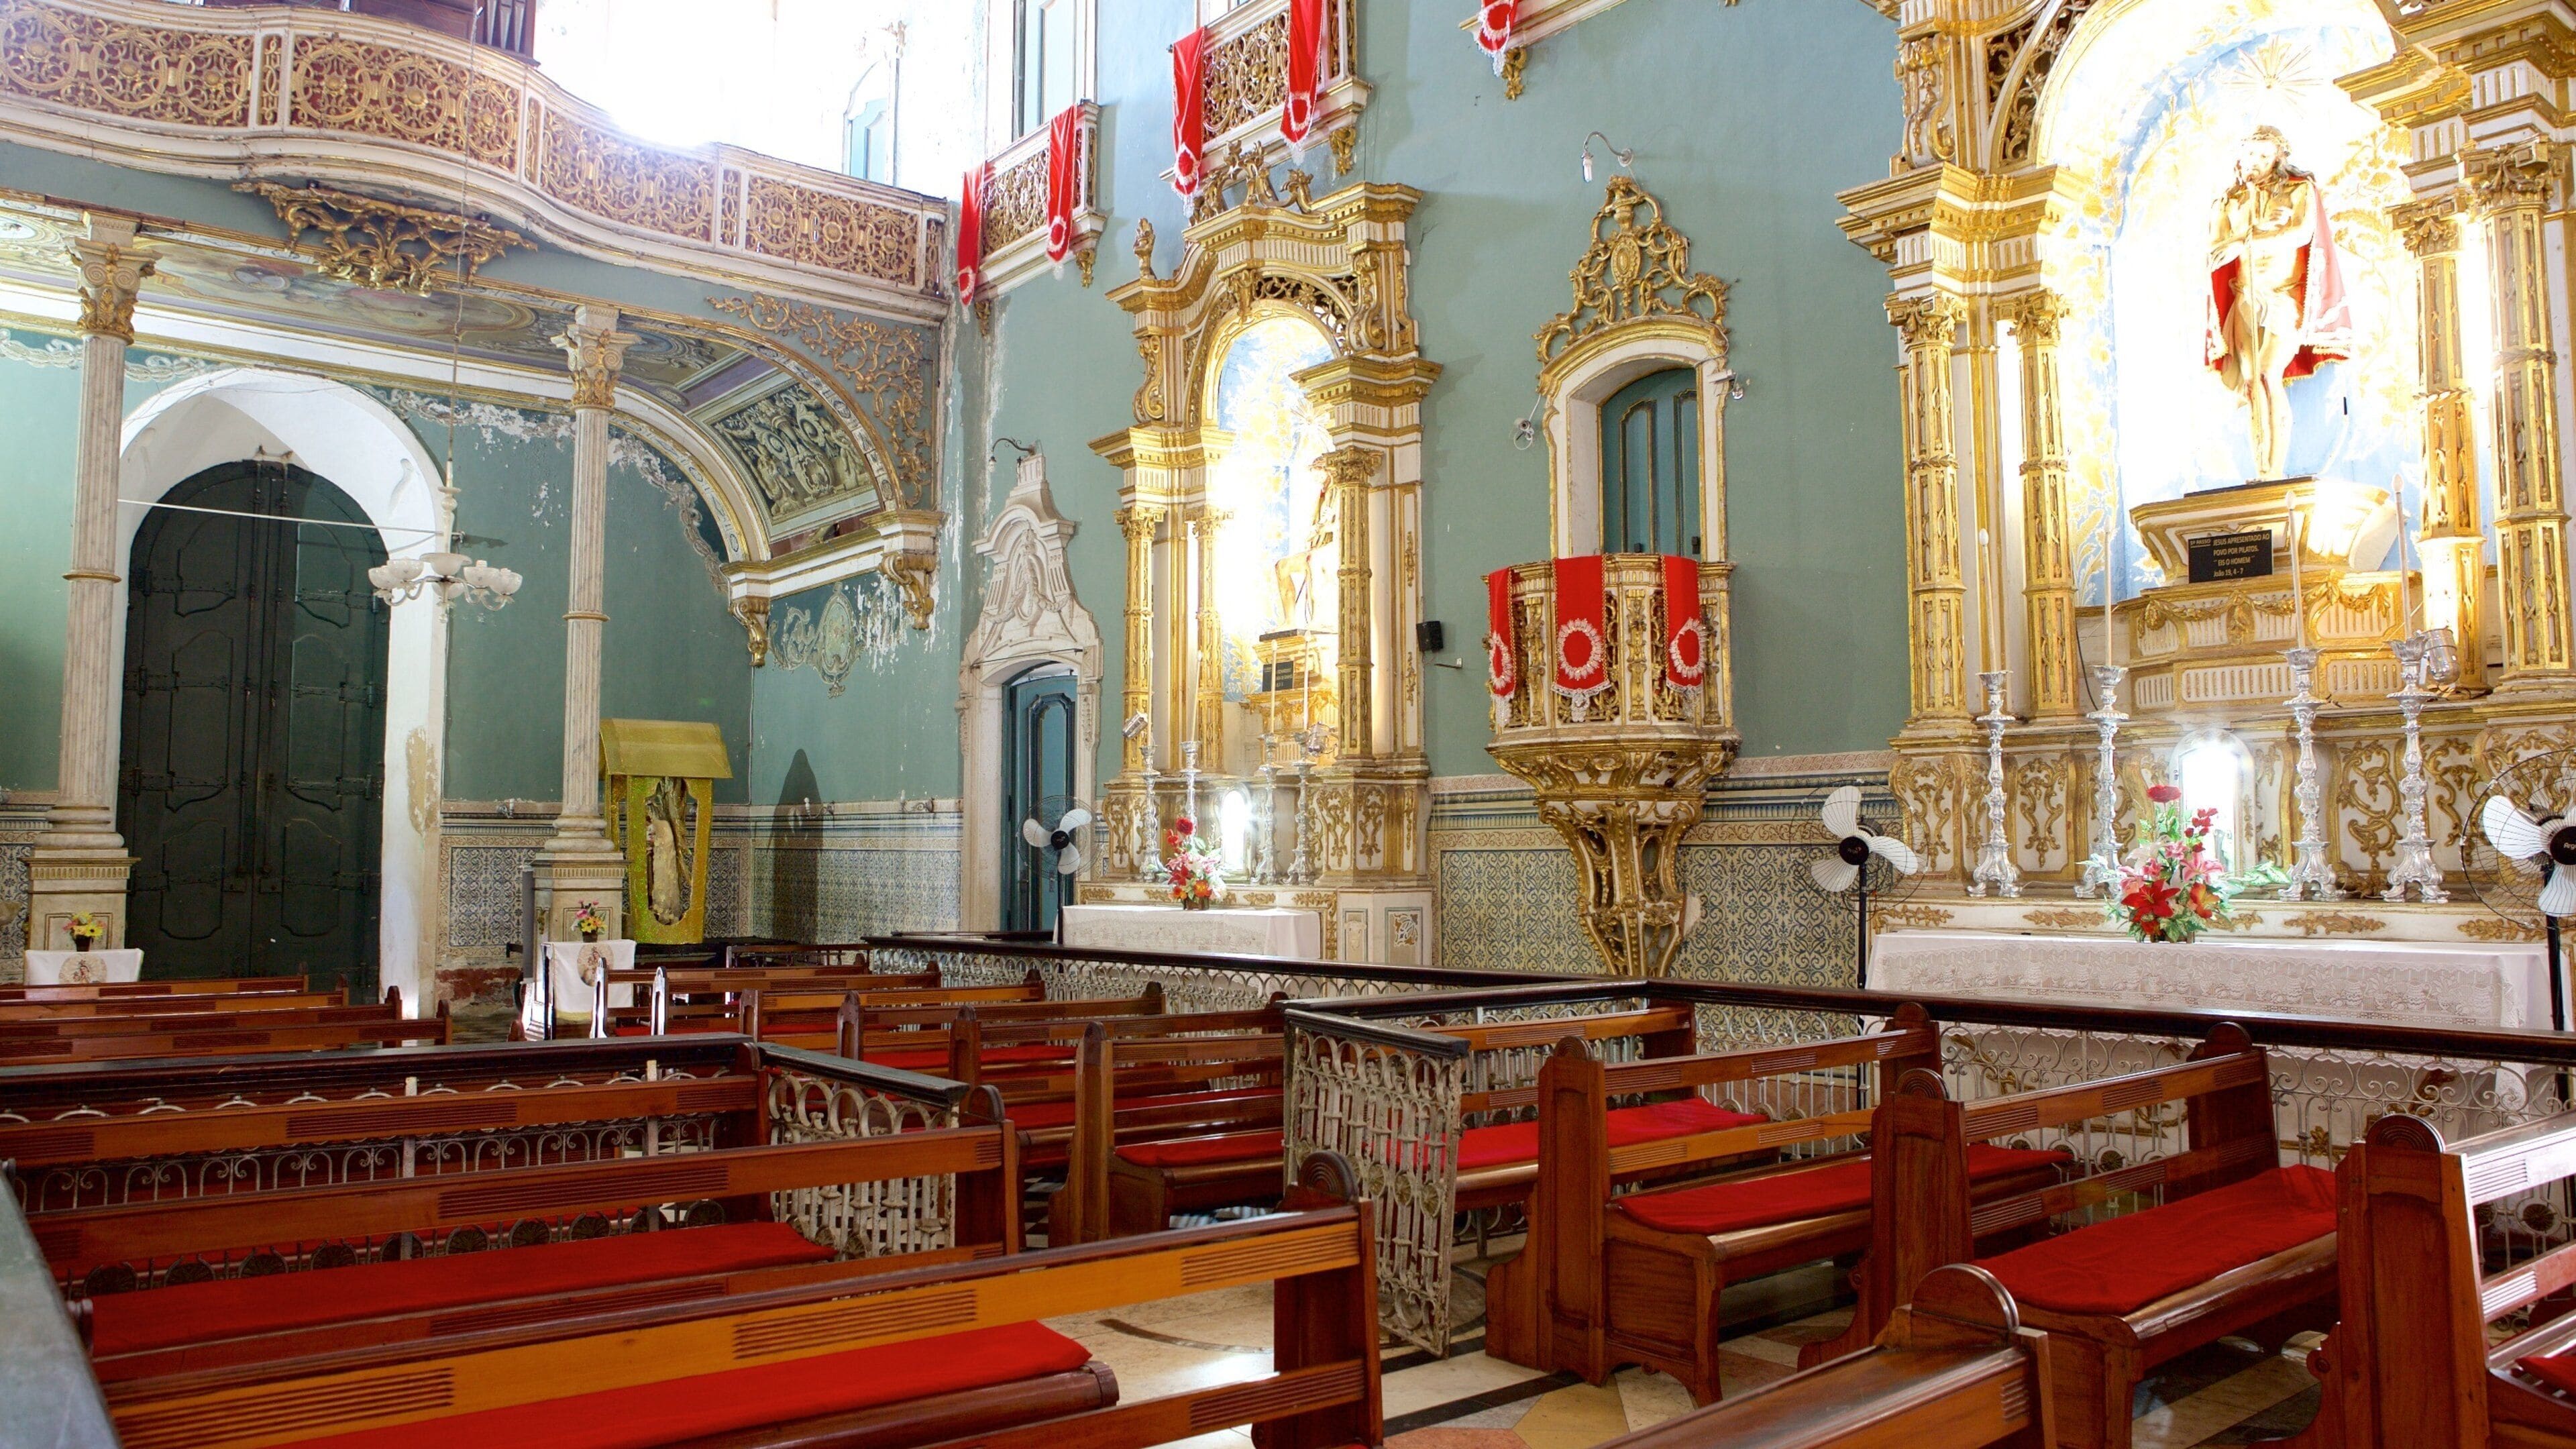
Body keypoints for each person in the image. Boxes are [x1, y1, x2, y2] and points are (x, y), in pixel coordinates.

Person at [2206, 127, 2351, 480]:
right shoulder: (2228, 203)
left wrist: (2251, 240)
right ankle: (2261, 468)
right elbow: (2215, 254)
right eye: (2250, 154)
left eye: (2263, 156)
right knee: (2252, 381)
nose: (2254, 162)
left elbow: (2302, 233)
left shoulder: (2299, 190)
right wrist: (2251, 235)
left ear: (2277, 160)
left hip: (2283, 297)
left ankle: (2275, 471)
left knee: (2270, 375)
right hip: (2244, 296)